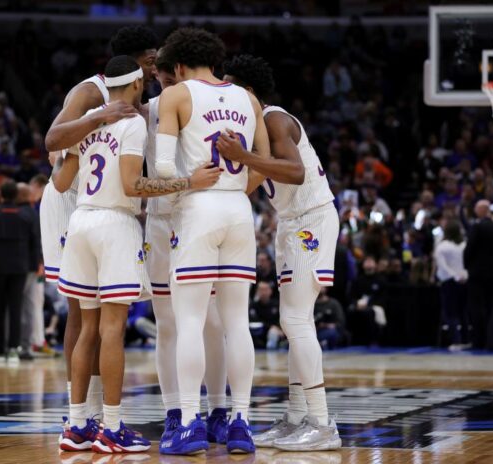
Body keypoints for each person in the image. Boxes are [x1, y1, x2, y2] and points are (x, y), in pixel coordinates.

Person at [53, 55, 220, 454]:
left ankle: (76, 425)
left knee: (87, 328)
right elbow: (132, 186)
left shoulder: (90, 118)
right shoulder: (130, 123)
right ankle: (110, 427)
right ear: (133, 86)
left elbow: (61, 182)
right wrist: (188, 183)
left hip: (80, 221)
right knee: (112, 330)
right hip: (114, 227)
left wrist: (68, 156)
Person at [155, 30, 272, 455]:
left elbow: (165, 165)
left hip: (198, 206)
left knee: (189, 321)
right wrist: (238, 191)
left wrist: (195, 185)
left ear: (180, 66)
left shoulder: (177, 95)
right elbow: (263, 161)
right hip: (240, 211)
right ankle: (240, 421)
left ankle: (188, 422)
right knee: (236, 322)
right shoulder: (247, 97)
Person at [220, 54, 341, 451]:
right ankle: (296, 417)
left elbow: (295, 172)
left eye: (232, 88)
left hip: (312, 218)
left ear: (250, 91)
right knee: (293, 322)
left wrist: (244, 158)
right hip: (290, 223)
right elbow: (251, 181)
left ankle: (322, 423)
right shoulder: (255, 129)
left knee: (295, 320)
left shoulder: (274, 119)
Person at [43, 24, 157, 437]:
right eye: (150, 60)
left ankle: (85, 415)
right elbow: (52, 139)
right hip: (73, 201)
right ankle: (83, 410)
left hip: (96, 201)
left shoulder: (144, 98)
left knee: (92, 313)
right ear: (132, 65)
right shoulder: (91, 93)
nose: (155, 67)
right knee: (80, 308)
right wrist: (103, 115)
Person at [142, 48, 229, 448]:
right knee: (170, 325)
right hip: (162, 219)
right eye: (162, 79)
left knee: (210, 321)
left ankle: (217, 411)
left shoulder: (214, 101)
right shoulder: (145, 111)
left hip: (198, 217)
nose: (168, 84)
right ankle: (175, 413)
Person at [0, 181, 39, 362]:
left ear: (1, 196)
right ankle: (14, 349)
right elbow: (34, 242)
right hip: (20, 266)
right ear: (15, 196)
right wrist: (34, 266)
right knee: (16, 308)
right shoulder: (26, 216)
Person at [463, 200, 493, 349]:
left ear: (483, 210)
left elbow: (469, 250)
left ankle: (479, 340)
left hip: (477, 273)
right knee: (491, 307)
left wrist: (467, 266)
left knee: (476, 307)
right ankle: (491, 338)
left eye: (477, 209)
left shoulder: (477, 227)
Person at [16, 183, 43, 361]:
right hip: (33, 266)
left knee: (19, 305)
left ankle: (21, 344)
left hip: (26, 267)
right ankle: (27, 344)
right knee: (30, 306)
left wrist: (40, 262)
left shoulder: (26, 213)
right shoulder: (32, 212)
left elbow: (36, 239)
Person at [433, 219, 469, 350]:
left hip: (450, 281)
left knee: (451, 312)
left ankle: (457, 340)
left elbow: (442, 266)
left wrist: (455, 276)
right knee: (462, 311)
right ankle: (465, 339)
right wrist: (463, 275)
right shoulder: (464, 245)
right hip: (463, 280)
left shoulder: (442, 246)